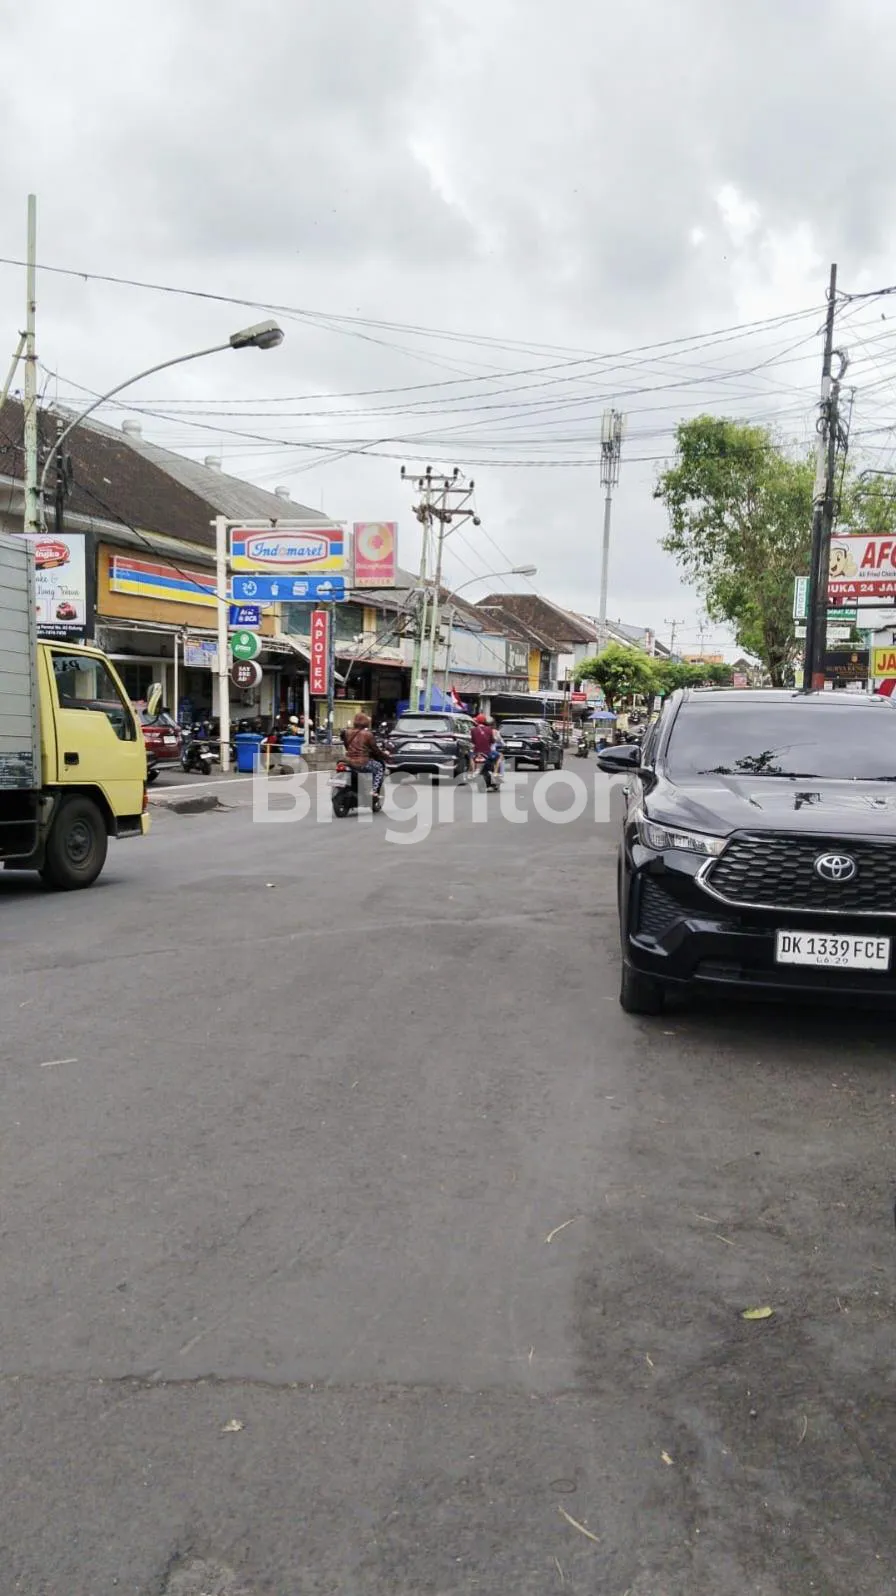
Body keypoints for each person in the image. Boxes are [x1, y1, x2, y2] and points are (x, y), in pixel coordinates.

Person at [341, 712, 390, 796]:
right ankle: (373, 791)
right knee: (379, 768)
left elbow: (346, 746)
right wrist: (386, 756)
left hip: (348, 761)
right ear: (366, 722)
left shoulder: (347, 733)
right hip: (362, 762)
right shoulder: (368, 734)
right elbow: (376, 750)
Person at [471, 713, 499, 789]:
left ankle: (473, 771)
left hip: (477, 752)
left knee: (471, 757)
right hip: (487, 752)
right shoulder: (489, 729)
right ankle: (495, 773)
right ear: (485, 721)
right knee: (499, 756)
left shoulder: (473, 730)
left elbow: (473, 741)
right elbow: (492, 741)